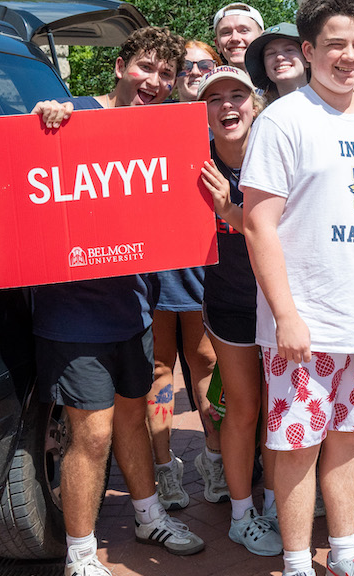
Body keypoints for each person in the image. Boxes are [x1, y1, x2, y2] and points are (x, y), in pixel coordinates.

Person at [0, 27, 205, 576]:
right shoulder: (66, 114)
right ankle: (80, 552)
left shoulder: (156, 131)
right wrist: (34, 128)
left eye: (166, 75)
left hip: (133, 306)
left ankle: (149, 516)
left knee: (133, 417)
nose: (154, 81)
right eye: (146, 68)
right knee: (92, 433)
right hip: (71, 313)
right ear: (121, 65)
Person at [240, 0, 354, 576]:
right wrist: (286, 313)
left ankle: (343, 550)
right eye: (335, 44)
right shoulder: (283, 120)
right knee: (295, 443)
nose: (349, 56)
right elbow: (258, 225)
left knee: (348, 438)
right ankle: (295, 560)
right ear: (309, 50)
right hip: (302, 323)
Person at [187, 64, 285, 559]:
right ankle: (242, 515)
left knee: (278, 408)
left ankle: (273, 502)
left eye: (237, 95)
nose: (228, 105)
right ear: (201, 111)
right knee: (245, 408)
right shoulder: (189, 161)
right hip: (230, 305)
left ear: (256, 102)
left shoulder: (279, 153)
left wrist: (231, 211)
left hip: (284, 303)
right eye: (214, 98)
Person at [148, 40, 226, 513]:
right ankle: (163, 470)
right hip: (153, 266)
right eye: (187, 66)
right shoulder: (148, 119)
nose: (195, 71)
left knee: (208, 366)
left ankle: (214, 459)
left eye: (205, 64)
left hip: (205, 264)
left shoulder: (227, 117)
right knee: (157, 370)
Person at [246, 22, 308, 100]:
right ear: (264, 69)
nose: (279, 57)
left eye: (289, 50)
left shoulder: (326, 104)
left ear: (307, 59)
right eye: (271, 53)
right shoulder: (265, 111)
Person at [214, 2, 265, 68]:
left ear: (262, 38)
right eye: (226, 32)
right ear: (217, 44)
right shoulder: (209, 78)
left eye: (244, 31)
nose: (235, 38)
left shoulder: (279, 77)